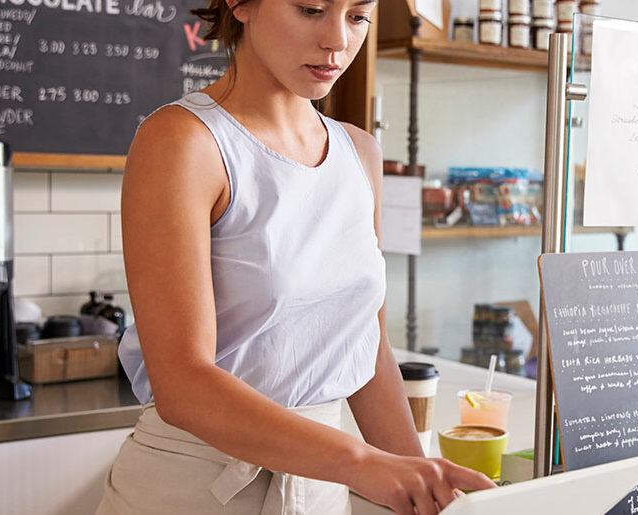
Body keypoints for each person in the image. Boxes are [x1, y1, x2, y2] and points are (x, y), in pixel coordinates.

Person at [96, 0, 494, 513]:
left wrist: (429, 490)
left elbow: (368, 352)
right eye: (311, 9)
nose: (338, 40)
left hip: (321, 488)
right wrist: (363, 463)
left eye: (357, 16)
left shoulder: (360, 154)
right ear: (241, 6)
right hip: (193, 488)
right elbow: (182, 385)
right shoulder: (183, 141)